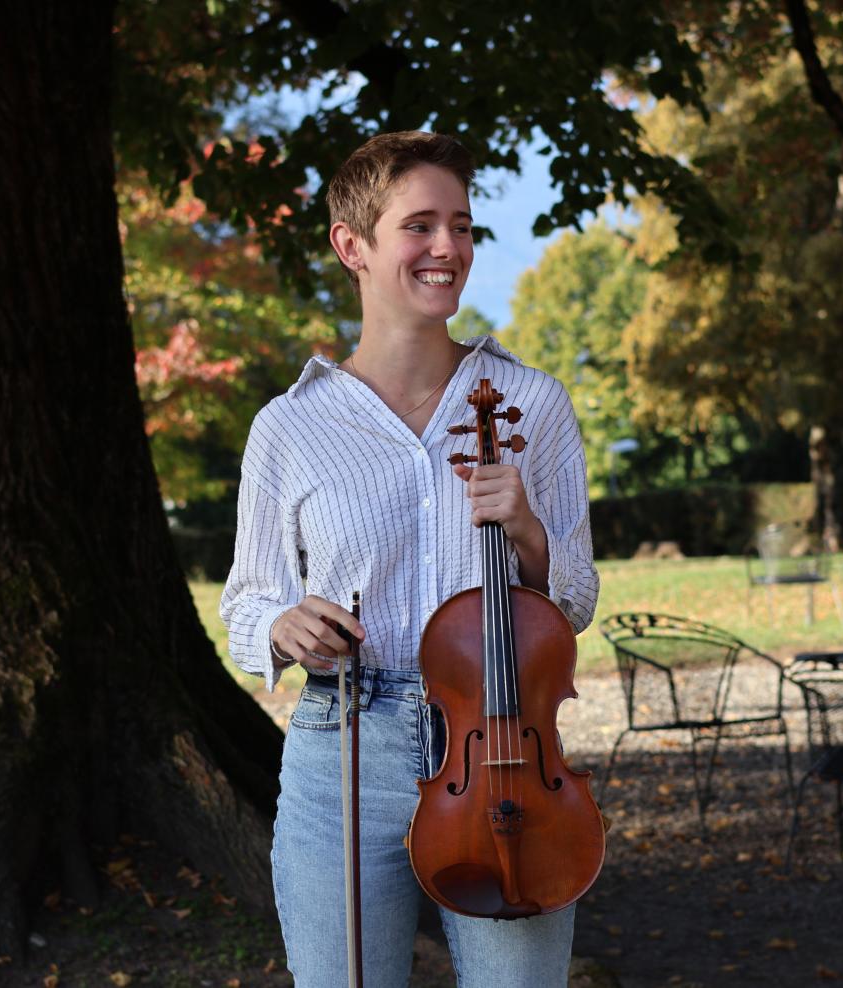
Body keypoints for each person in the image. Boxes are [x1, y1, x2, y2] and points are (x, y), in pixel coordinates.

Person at [220, 130, 599, 987]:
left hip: (505, 748)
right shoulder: (289, 427)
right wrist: (284, 625)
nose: (448, 249)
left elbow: (573, 597)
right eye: (420, 226)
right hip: (344, 749)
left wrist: (531, 535)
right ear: (351, 245)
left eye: (462, 227)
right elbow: (247, 600)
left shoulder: (532, 401)